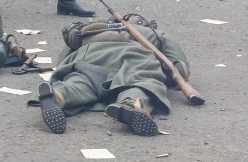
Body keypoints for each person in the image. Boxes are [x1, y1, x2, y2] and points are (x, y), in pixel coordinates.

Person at [35, 16, 191, 136]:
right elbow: (172, 52)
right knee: (143, 81)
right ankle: (132, 104)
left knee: (81, 81)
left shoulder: (85, 33)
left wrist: (66, 70)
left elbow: (64, 56)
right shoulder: (140, 31)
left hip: (89, 55)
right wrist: (176, 71)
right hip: (131, 55)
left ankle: (59, 95)